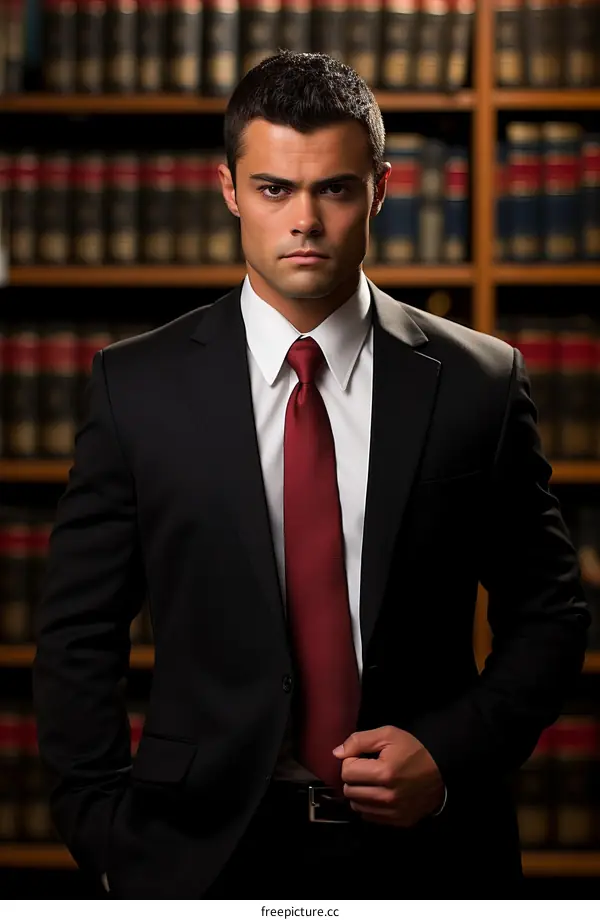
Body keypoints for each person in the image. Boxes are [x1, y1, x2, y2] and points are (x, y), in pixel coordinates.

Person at [33, 50, 590, 898]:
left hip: (429, 855)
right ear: (228, 190)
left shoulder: (480, 381)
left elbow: (549, 613)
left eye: (332, 188)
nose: (304, 221)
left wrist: (450, 751)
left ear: (379, 188)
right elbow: (78, 635)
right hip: (197, 853)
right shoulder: (134, 387)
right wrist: (106, 839)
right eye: (273, 189)